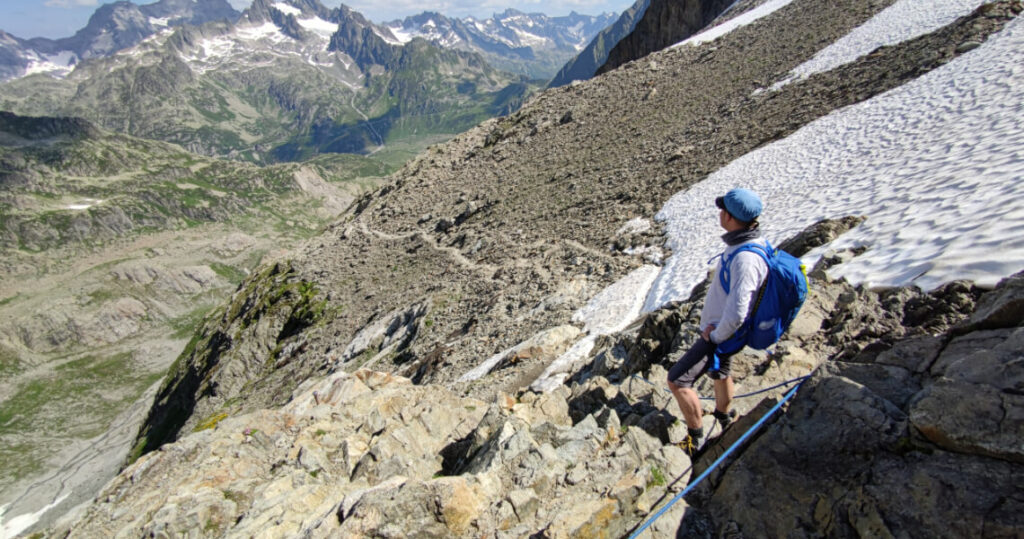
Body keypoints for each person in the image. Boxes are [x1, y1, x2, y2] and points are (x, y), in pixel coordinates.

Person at [667, 188, 769, 457]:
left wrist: (714, 336)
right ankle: (724, 416)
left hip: (719, 334)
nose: (720, 214)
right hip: (726, 334)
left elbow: (736, 311)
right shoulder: (750, 246)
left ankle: (695, 438)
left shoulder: (745, 259)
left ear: (730, 218)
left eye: (723, 210)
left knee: (677, 380)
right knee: (721, 372)